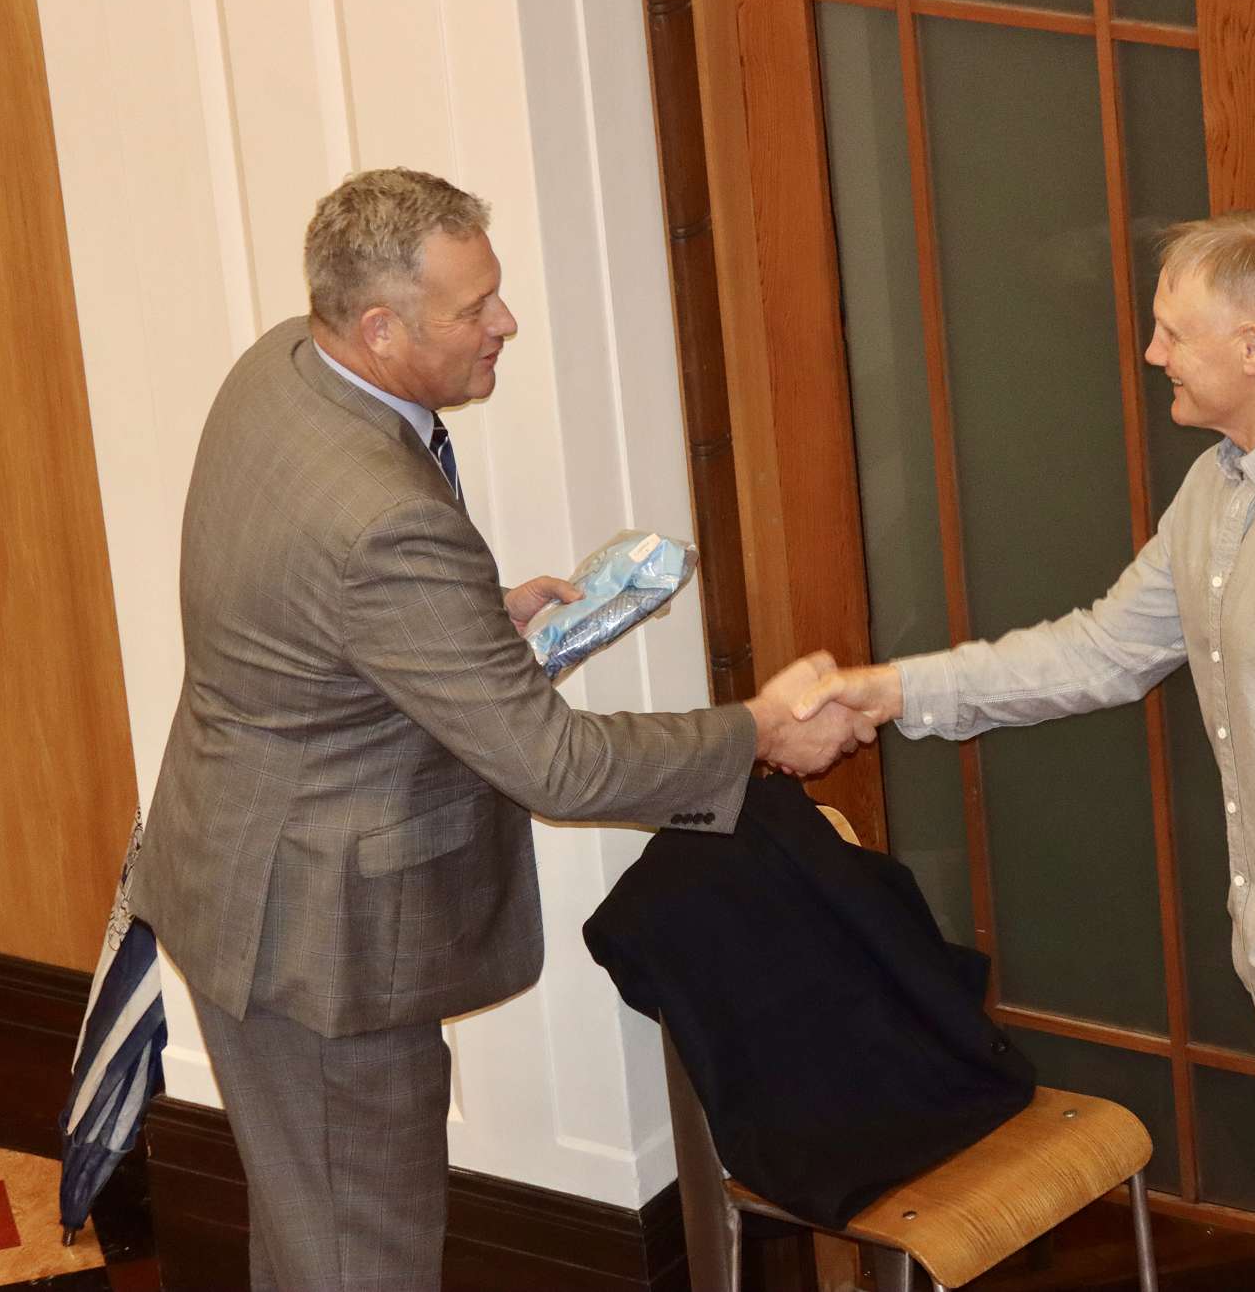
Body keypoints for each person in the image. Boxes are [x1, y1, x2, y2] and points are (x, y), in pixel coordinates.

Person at [129, 166, 872, 1290]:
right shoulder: (381, 522)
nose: (505, 322)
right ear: (378, 328)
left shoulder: (283, 367)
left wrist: (467, 623)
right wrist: (757, 730)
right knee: (357, 1262)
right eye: (473, 309)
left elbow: (320, 606)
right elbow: (555, 766)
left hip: (242, 880)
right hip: (316, 945)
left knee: (311, 1236)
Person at [797, 212, 1255, 1291]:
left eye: (1171, 332)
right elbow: (1100, 649)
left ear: (1254, 346)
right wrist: (892, 689)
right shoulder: (1217, 491)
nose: (1152, 355)